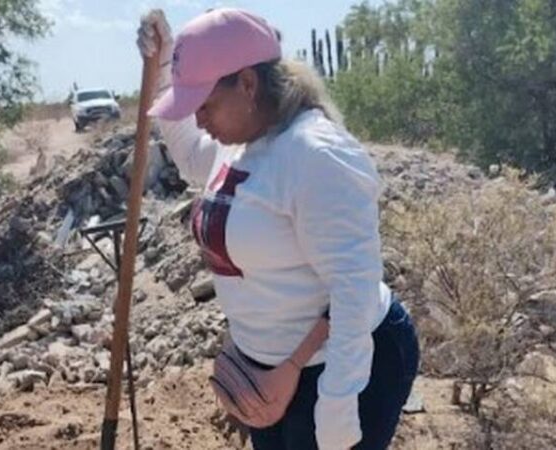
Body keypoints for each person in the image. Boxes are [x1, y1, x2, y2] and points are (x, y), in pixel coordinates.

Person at [137, 8, 419, 450]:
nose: (199, 120)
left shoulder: (314, 154)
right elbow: (192, 156)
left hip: (340, 364)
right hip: (266, 369)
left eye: (204, 104)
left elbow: (354, 288)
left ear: (247, 84)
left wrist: (338, 405)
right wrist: (165, 65)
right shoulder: (238, 144)